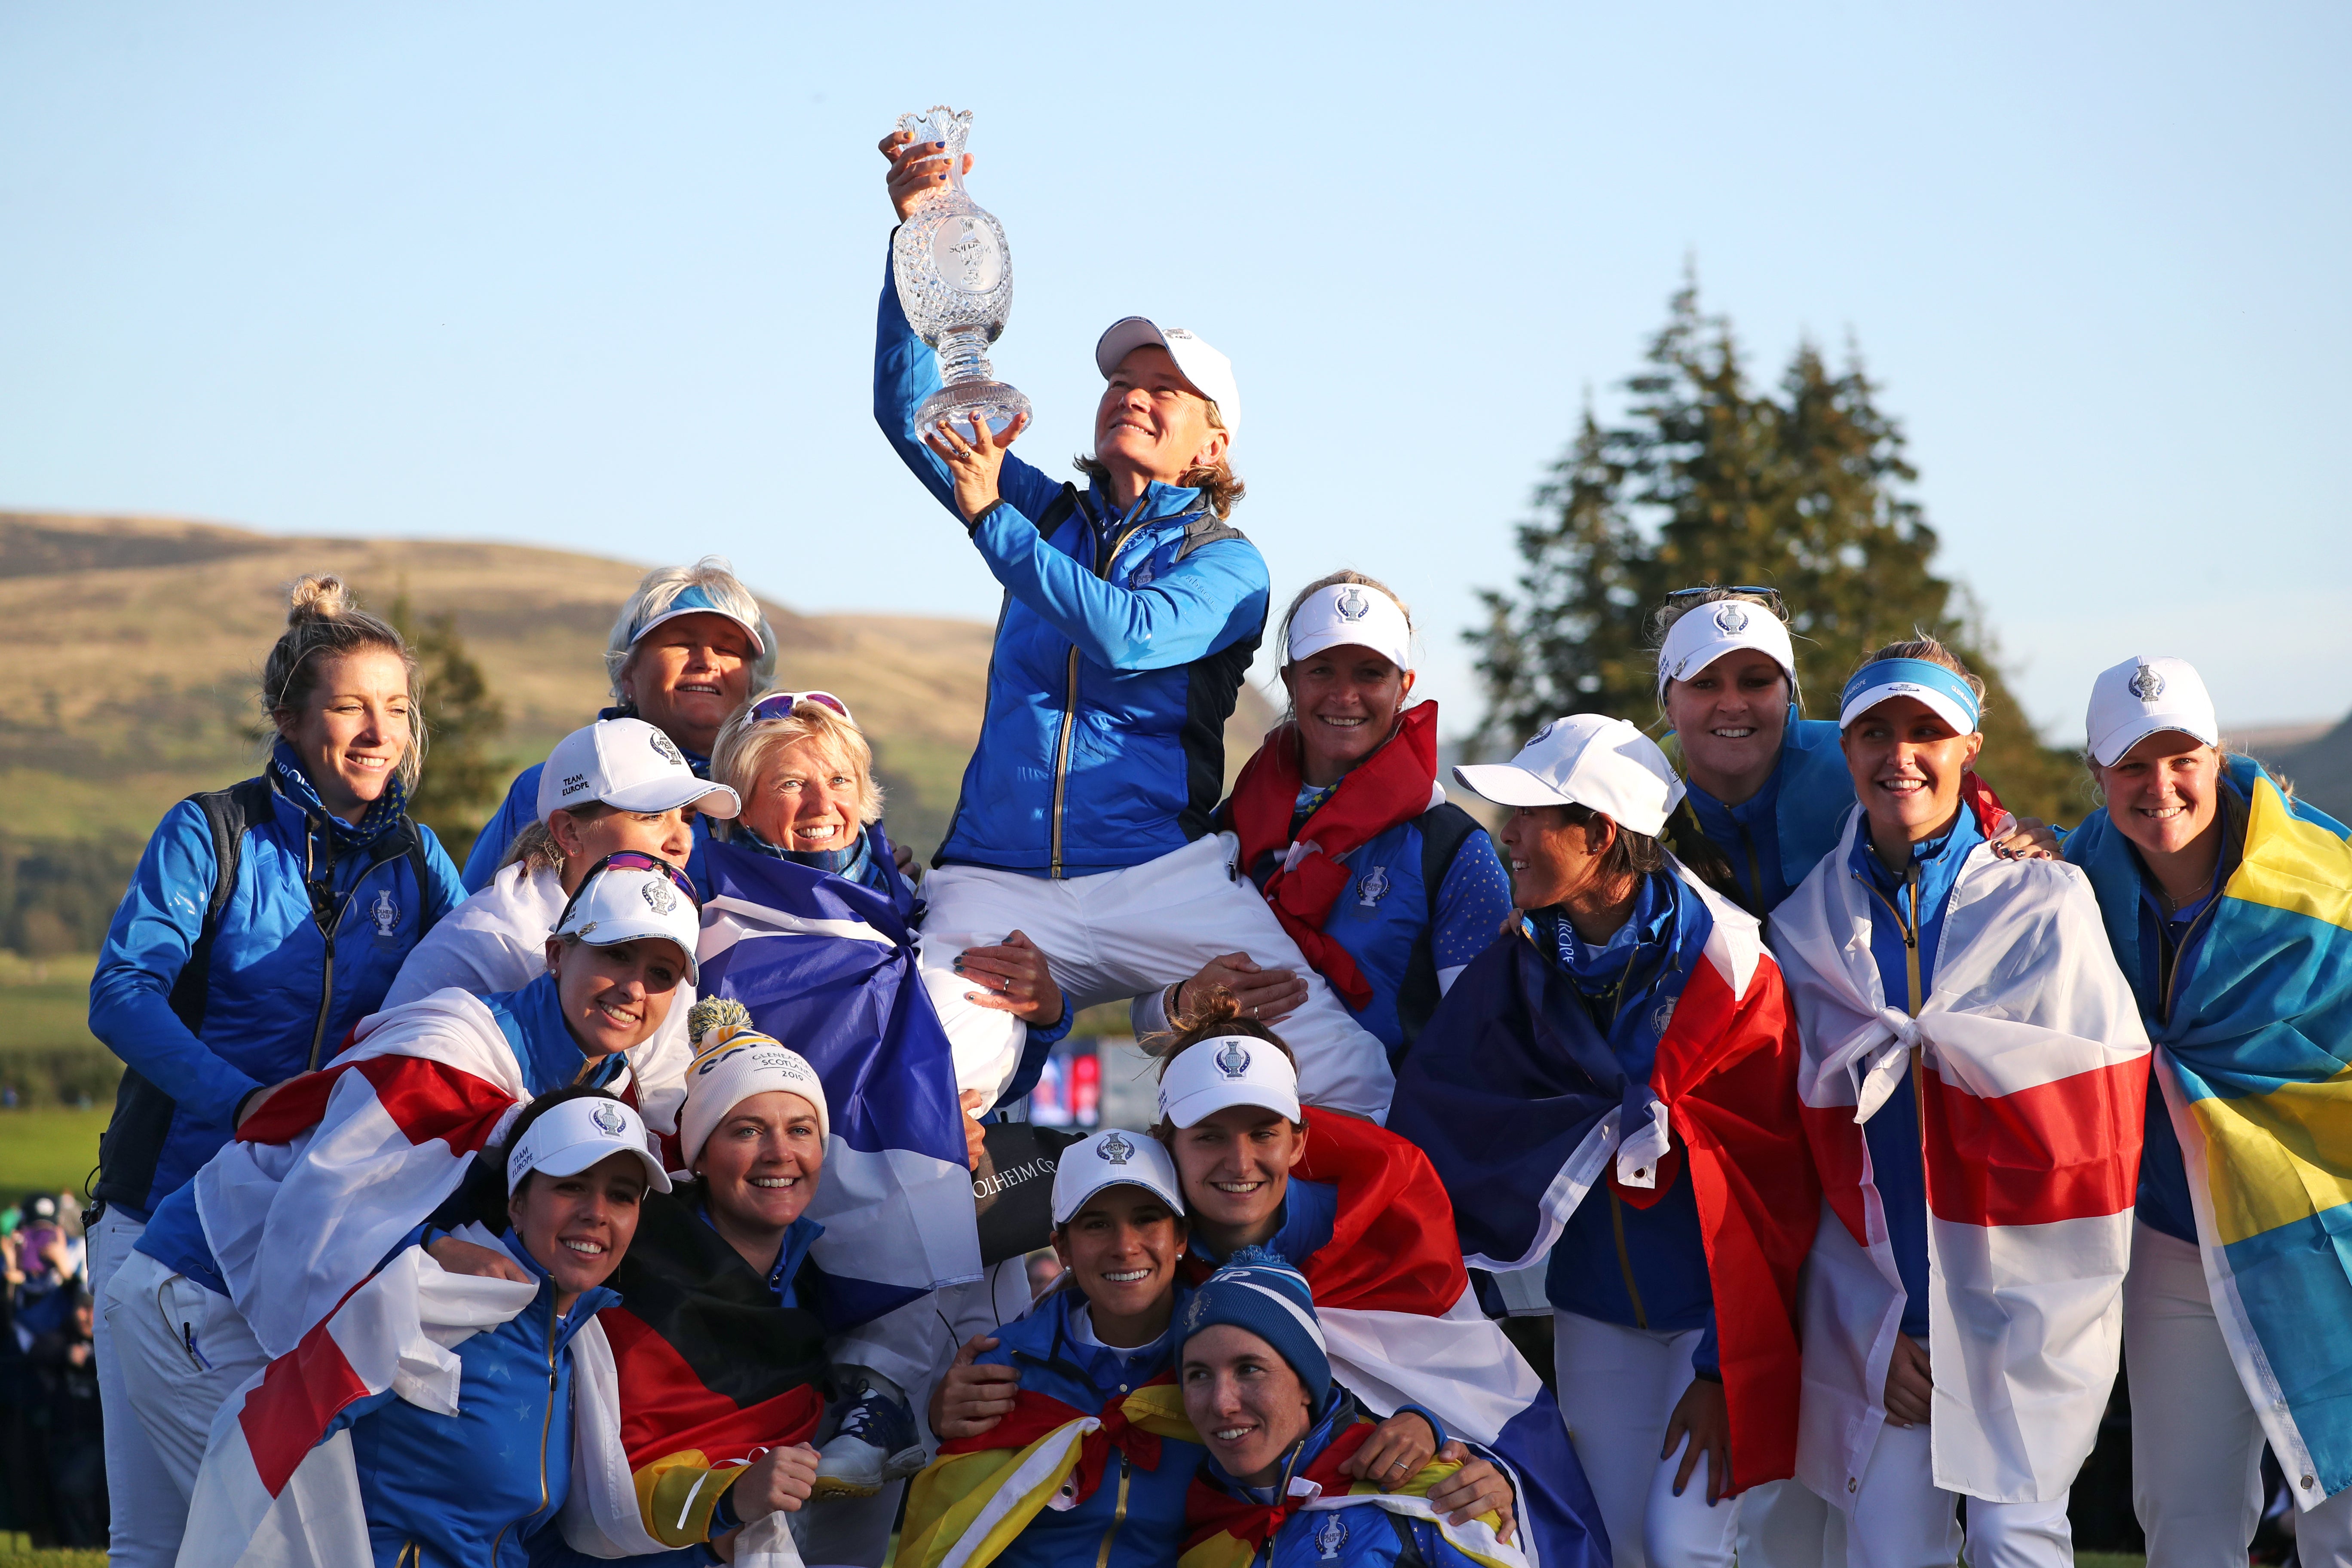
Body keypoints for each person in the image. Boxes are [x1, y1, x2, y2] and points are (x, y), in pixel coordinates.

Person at [872, 127, 1392, 1122]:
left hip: (1163, 875)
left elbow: (1130, 636)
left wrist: (993, 524)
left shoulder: (1228, 564)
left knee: (1343, 1081)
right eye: (1120, 381)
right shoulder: (1047, 510)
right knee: (928, 1083)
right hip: (996, 874)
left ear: (1213, 445)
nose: (1133, 396)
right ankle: (971, 1280)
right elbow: (907, 413)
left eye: (1165, 389)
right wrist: (910, 244)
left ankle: (1365, 1277)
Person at [104, 855, 699, 1544]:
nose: (633, 988)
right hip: (207, 1297)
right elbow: (311, 1220)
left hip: (247, 1301)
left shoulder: (604, 1084)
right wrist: (432, 1247)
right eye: (616, 954)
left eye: (660, 974)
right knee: (281, 1553)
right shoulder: (449, 1050)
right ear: (558, 953)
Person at [85, 573, 465, 1568]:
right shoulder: (210, 831)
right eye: (348, 708)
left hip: (314, 1231)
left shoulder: (420, 863)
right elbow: (122, 992)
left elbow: (481, 982)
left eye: (394, 709)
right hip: (157, 1217)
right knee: (158, 1536)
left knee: (275, 1519)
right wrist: (243, 1102)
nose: (377, 731)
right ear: (291, 720)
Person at [1390, 715, 1820, 1568]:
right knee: (1615, 1549)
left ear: (1601, 836)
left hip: (1718, 1324)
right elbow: (1442, 1121)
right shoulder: (1521, 964)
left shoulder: (1731, 975)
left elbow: (1771, 1184)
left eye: (1531, 816)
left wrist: (1718, 1367)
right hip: (1594, 1307)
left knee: (1687, 1546)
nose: (1505, 835)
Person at [1770, 637, 2151, 1568]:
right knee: (1887, 1549)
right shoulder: (1805, 927)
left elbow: (2091, 1146)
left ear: (1968, 746)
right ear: (1846, 748)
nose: (1901, 754)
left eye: (1926, 731)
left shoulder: (2047, 902)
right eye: (1876, 732)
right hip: (1888, 1325)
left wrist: (1993, 1322)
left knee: (2016, 1539)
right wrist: (1882, 1329)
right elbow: (1816, 1164)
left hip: (2026, 1315)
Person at [180, 1088, 755, 1567]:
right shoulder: (432, 1302)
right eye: (571, 1185)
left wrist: (733, 1508)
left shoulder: (580, 1345)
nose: (597, 1213)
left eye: (622, 1196)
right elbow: (266, 1436)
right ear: (519, 1203)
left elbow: (573, 1534)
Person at [2062, 655, 2352, 1565]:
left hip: (2318, 1227)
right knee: (2185, 1517)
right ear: (2098, 773)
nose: (2160, 787)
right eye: (2132, 765)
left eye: (2181, 758)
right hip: (2171, 1239)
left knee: (2342, 1507)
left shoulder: (2330, 877)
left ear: (2220, 755)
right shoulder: (2067, 885)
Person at [1148, 1004, 1608, 1568]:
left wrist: (1472, 1457)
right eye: (1209, 1137)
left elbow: (1485, 1404)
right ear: (1166, 1144)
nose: (1239, 1161)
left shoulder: (1392, 1230)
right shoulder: (1146, 1249)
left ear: (1297, 1142)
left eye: (1262, 1133)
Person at [1131, 574, 1511, 1066]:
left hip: (1387, 1134)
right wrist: (1182, 1004)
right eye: (1323, 671)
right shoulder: (1222, 832)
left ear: (1404, 688)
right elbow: (1143, 1021)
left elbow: (1486, 1043)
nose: (1344, 695)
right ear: (1290, 680)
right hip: (1236, 1133)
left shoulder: (1453, 848)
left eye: (1371, 673)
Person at [386, 716, 742, 1136]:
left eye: (686, 818)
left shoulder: (666, 942)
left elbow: (664, 1113)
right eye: (651, 817)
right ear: (570, 832)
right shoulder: (487, 941)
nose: (681, 841)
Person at [897, 1129, 1208, 1568]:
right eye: (1097, 1224)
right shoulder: (1002, 1369)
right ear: (1062, 1247)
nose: (1124, 1247)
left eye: (1146, 1219)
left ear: (1180, 1238)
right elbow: (951, 1528)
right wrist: (936, 1424)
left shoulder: (1222, 1359)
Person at [1177, 1252, 1524, 1568]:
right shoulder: (1200, 1534)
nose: (1222, 1403)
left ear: (1306, 1384)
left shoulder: (1440, 1492)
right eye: (1199, 1375)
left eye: (1249, 1369)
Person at [463, 558, 778, 890]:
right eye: (682, 643)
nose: (707, 661)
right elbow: (476, 921)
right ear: (628, 674)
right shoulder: (550, 788)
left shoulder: (784, 792)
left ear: (752, 686)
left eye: (727, 648)